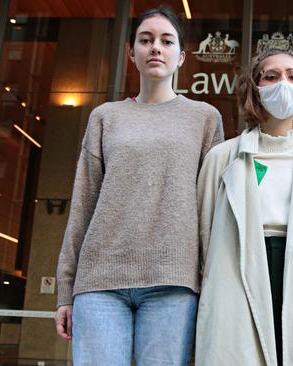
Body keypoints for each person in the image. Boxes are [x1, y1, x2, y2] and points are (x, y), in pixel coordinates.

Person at [54, 7, 223, 365]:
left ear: (181, 56)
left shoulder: (205, 118)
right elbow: (83, 204)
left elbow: (212, 209)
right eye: (146, 40)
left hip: (174, 281)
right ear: (132, 53)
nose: (156, 48)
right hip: (100, 280)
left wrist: (212, 282)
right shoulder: (105, 117)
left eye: (166, 41)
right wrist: (65, 291)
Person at [195, 48, 293, 366]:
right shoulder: (222, 158)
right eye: (271, 76)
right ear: (255, 88)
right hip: (237, 271)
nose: (282, 83)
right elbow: (203, 235)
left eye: (292, 76)